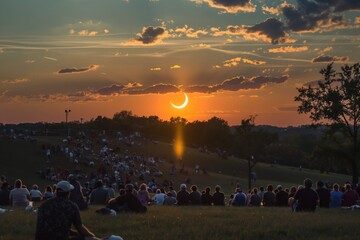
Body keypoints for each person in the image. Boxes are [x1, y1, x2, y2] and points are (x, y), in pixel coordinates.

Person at [35, 180, 100, 240]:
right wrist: (92, 235)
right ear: (68, 193)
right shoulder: (71, 206)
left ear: (56, 191)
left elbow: (54, 226)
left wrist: (74, 233)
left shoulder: (44, 204)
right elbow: (79, 227)